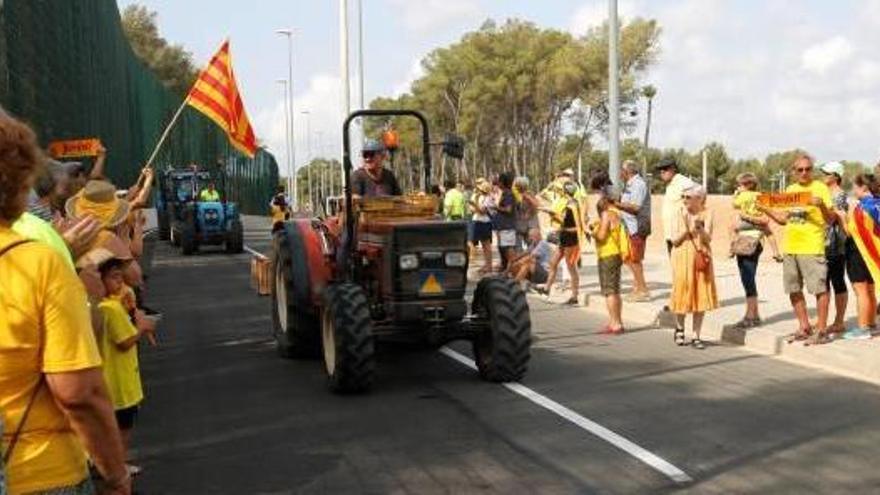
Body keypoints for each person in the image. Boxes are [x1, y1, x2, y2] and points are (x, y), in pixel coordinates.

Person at [0, 116, 130, 494]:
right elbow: (79, 393)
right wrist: (116, 473)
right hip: (36, 473)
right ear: (19, 178)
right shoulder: (38, 262)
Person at [759, 154, 835, 346]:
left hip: (812, 247)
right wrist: (765, 208)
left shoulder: (820, 188)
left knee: (820, 289)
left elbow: (831, 219)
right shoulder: (791, 190)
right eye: (800, 170)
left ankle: (822, 330)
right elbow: (784, 219)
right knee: (793, 289)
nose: (804, 173)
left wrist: (823, 206)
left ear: (812, 170)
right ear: (794, 172)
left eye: (808, 169)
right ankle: (804, 326)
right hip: (791, 247)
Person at [98, 256, 154, 476]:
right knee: (123, 428)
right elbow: (125, 342)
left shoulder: (101, 306)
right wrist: (141, 327)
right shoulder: (111, 309)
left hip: (112, 380)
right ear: (99, 281)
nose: (120, 283)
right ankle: (119, 466)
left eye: (121, 277)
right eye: (113, 278)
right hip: (120, 383)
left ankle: (109, 464)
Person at [669, 185, 718, 349]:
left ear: (699, 198)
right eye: (683, 196)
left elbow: (708, 239)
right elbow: (674, 241)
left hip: (700, 257)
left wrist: (701, 230)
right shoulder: (678, 213)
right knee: (682, 291)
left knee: (701, 293)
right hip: (682, 256)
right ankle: (680, 328)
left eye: (688, 197)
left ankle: (696, 334)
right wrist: (688, 231)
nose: (684, 200)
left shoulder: (708, 213)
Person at [729, 173, 775, 329]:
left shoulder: (744, 196)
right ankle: (754, 315)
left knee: (747, 279)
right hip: (756, 241)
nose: (738, 187)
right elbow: (766, 221)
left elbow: (734, 204)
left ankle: (750, 315)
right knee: (748, 279)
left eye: (740, 185)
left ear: (747, 185)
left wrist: (737, 195)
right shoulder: (761, 197)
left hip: (748, 241)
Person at [836, 174, 879, 340]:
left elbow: (850, 232)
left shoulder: (862, 208)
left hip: (859, 252)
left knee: (861, 291)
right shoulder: (877, 204)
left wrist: (842, 218)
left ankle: (863, 328)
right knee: (870, 289)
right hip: (873, 255)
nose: (853, 190)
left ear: (864, 188)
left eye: (855, 187)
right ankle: (872, 324)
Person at [537, 181, 583, 305]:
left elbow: (576, 225)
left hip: (571, 239)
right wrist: (549, 212)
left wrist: (555, 217)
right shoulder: (568, 203)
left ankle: (574, 296)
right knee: (553, 263)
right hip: (563, 237)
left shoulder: (573, 205)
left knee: (571, 267)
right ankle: (546, 289)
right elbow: (562, 219)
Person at [614, 160, 652, 301]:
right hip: (629, 227)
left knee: (634, 260)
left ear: (627, 171)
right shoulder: (629, 185)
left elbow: (635, 207)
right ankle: (637, 289)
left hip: (636, 227)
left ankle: (643, 291)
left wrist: (616, 204)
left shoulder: (638, 184)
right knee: (631, 258)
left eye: (621, 170)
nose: (619, 174)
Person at [590, 196, 627, 334]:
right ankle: (617, 321)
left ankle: (615, 324)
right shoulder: (617, 215)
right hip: (616, 254)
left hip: (607, 254)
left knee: (609, 291)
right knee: (615, 290)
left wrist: (593, 232)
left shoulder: (606, 215)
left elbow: (602, 236)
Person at [820, 161, 849, 336]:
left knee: (837, 281)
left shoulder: (839, 195)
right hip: (821, 243)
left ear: (836, 176)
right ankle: (825, 319)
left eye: (827, 172)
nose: (823, 175)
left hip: (835, 244)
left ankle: (839, 321)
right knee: (823, 283)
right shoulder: (825, 192)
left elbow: (833, 219)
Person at [657, 157, 697, 256]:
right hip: (671, 234)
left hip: (682, 237)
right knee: (676, 268)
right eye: (660, 170)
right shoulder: (670, 185)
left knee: (685, 269)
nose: (662, 172)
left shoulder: (684, 183)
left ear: (673, 169)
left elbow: (696, 206)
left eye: (665, 169)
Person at [469, 178, 495, 274]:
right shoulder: (477, 196)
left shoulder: (488, 198)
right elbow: (472, 210)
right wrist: (475, 206)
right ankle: (486, 264)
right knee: (481, 244)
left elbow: (483, 211)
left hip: (484, 222)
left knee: (486, 245)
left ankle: (489, 265)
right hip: (477, 221)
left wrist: (475, 205)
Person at [494, 172, 517, 270]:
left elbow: (508, 209)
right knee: (503, 248)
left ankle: (513, 269)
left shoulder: (509, 194)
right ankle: (505, 268)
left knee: (508, 249)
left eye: (499, 181)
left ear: (503, 183)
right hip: (502, 226)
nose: (497, 183)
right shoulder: (504, 193)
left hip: (507, 227)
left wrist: (496, 207)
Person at [513, 176, 540, 250]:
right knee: (518, 248)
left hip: (531, 225)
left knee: (532, 247)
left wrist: (527, 197)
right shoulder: (515, 195)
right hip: (519, 224)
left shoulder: (530, 194)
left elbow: (536, 205)